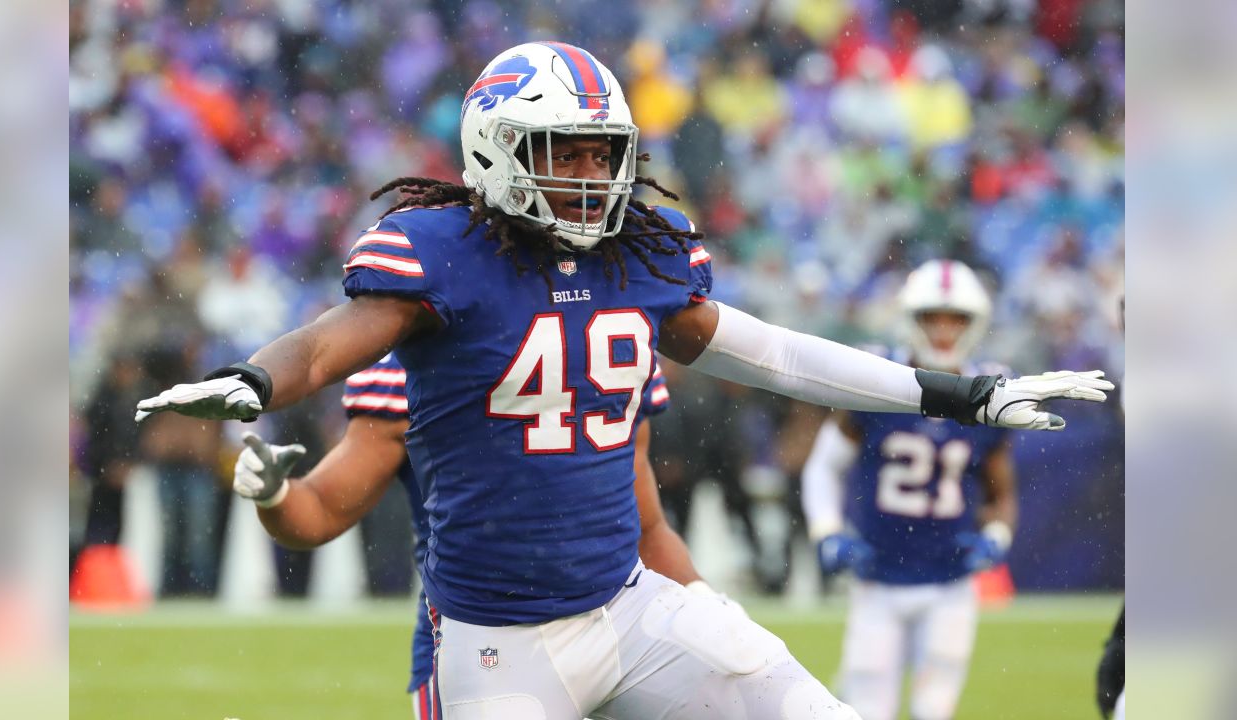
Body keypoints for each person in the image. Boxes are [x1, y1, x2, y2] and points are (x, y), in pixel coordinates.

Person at [136, 41, 1112, 719]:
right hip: (494, 639)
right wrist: (251, 381)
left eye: (600, 154)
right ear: (495, 151)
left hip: (627, 603)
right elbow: (322, 344)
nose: (587, 177)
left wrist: (958, 392)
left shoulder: (636, 259)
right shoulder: (440, 258)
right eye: (561, 154)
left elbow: (776, 355)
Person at [233, 353, 709, 719]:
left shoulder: (608, 339)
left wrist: (709, 610)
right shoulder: (418, 366)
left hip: (617, 625)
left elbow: (648, 528)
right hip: (481, 636)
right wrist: (275, 494)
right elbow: (318, 511)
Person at [802, 259, 1019, 720]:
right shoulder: (879, 379)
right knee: (866, 708)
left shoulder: (989, 392)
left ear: (974, 323)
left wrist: (997, 537)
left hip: (951, 580)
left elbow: (1001, 492)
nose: (943, 329)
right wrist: (827, 531)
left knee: (933, 709)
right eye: (932, 317)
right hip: (877, 575)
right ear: (911, 319)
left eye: (955, 318)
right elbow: (822, 467)